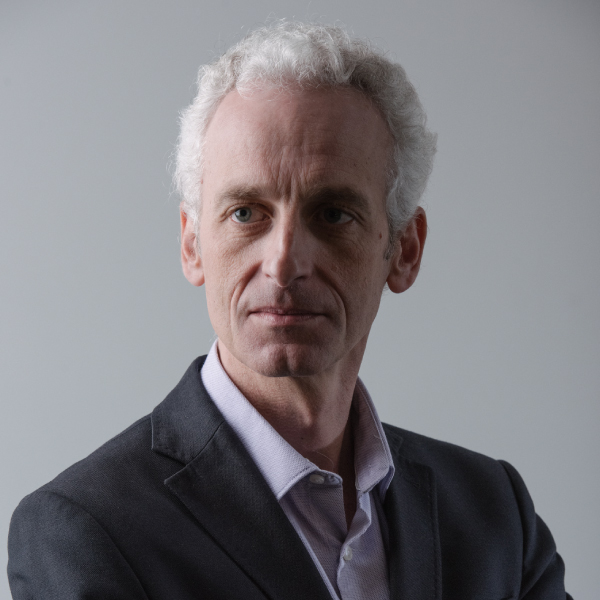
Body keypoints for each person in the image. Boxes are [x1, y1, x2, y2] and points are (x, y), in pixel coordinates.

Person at [7, 21, 571, 600]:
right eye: (246, 213)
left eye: (332, 214)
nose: (283, 263)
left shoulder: (495, 515)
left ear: (404, 250)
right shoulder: (85, 532)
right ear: (192, 244)